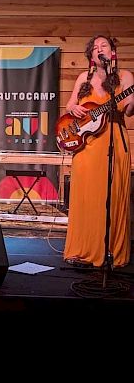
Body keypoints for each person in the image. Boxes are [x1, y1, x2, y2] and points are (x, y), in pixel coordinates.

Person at [63, 35, 134, 268]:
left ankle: (111, 250)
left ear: (112, 52)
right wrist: (74, 108)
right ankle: (82, 249)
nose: (99, 49)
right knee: (85, 196)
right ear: (90, 55)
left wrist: (131, 100)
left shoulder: (124, 77)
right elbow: (69, 105)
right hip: (86, 145)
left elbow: (130, 109)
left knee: (111, 195)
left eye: (104, 45)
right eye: (95, 47)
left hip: (114, 138)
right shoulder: (84, 77)